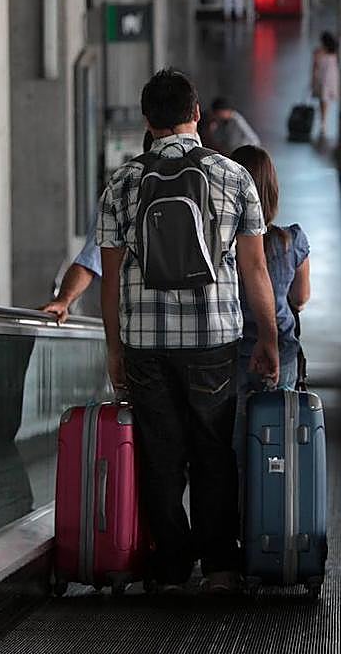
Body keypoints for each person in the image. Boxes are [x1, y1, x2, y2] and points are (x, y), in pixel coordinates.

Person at [97, 69, 280, 594]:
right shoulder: (234, 177)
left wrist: (115, 350)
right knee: (212, 449)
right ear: (196, 114)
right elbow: (255, 270)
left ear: (147, 121)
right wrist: (267, 339)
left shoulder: (122, 183)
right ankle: (221, 566)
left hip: (145, 344)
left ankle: (172, 567)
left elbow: (111, 280)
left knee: (160, 451)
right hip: (213, 338)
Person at [42, 133, 155, 323]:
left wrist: (64, 300)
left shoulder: (123, 194)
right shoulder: (123, 197)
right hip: (177, 329)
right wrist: (64, 301)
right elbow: (91, 261)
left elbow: (90, 262)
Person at [230, 145, 310, 393]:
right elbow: (300, 298)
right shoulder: (292, 241)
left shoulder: (219, 247)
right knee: (276, 425)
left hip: (231, 352)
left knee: (231, 428)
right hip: (280, 349)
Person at [310, 32, 339, 138]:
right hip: (331, 79)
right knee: (325, 100)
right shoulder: (334, 52)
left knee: (322, 100)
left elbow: (315, 67)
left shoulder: (318, 52)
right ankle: (323, 121)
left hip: (321, 79)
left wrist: (312, 80)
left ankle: (323, 121)